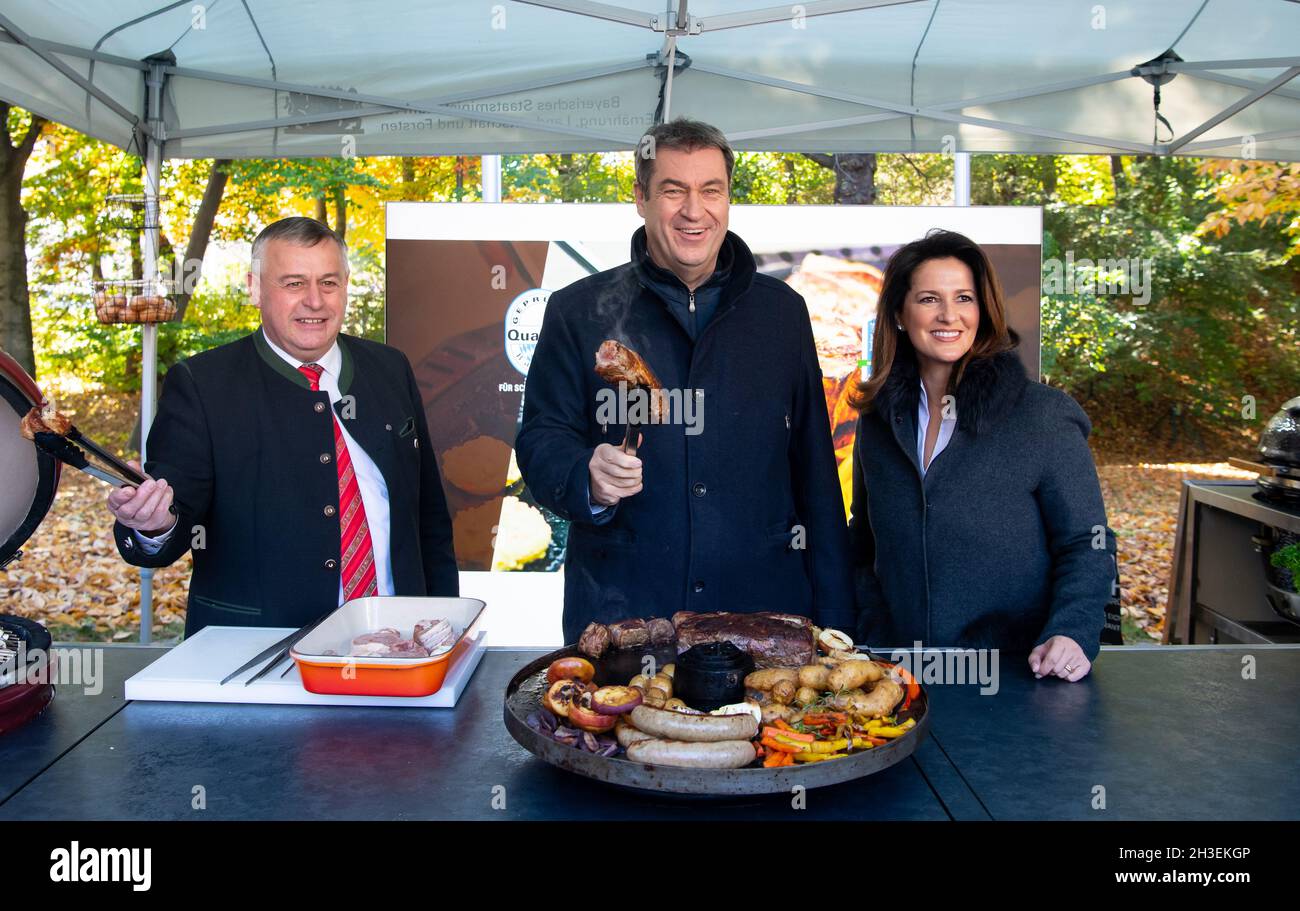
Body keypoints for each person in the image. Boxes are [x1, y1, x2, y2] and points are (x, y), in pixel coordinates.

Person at [516, 118, 853, 643]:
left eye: (710, 191)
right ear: (640, 198)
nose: (694, 211)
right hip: (626, 617)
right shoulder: (576, 311)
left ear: (728, 198)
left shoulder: (782, 312)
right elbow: (540, 439)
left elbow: (814, 471)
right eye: (673, 191)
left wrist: (837, 624)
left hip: (760, 623)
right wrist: (587, 476)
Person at [107, 217, 458, 634]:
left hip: (400, 643)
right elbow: (175, 519)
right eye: (293, 284)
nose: (315, 301)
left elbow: (429, 516)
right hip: (258, 652)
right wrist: (154, 524)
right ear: (254, 288)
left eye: (328, 282)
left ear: (346, 284)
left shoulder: (390, 367)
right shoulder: (203, 385)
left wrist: (445, 625)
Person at [849, 229, 1114, 681]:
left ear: (983, 311)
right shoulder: (877, 421)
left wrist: (1071, 631)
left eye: (965, 298)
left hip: (1015, 675)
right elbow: (865, 537)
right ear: (898, 313)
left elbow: (1086, 543)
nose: (949, 315)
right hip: (895, 677)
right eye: (929, 299)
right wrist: (870, 628)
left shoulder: (1043, 416)